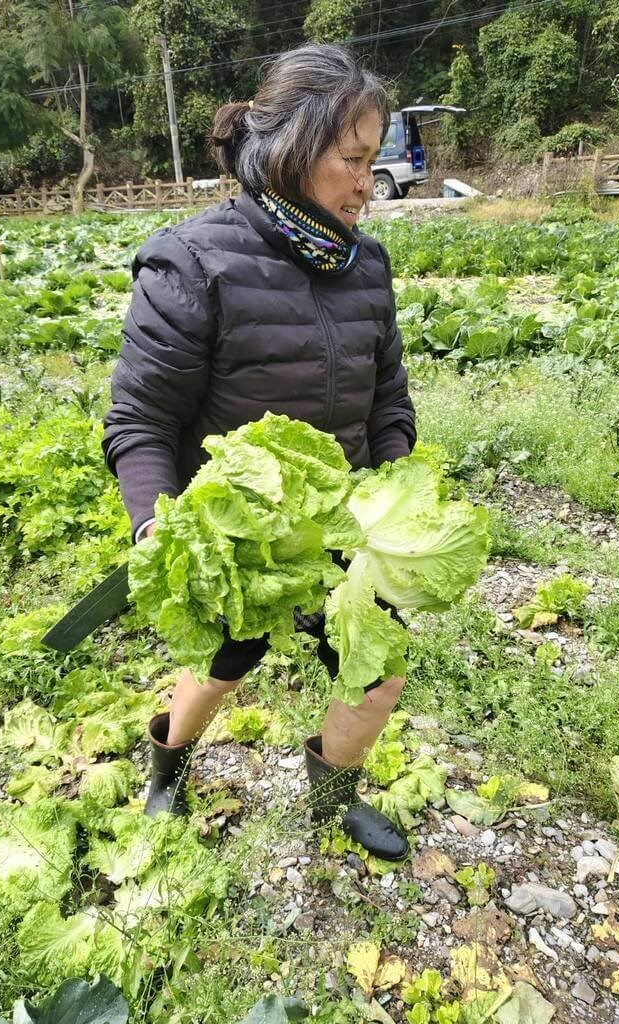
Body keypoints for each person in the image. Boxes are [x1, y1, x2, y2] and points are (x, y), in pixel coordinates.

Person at [103, 43, 416, 861]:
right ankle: (167, 770)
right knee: (222, 665)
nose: (365, 186)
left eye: (371, 161)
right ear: (291, 153)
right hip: (243, 544)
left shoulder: (366, 267)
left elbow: (390, 397)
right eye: (352, 161)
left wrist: (391, 482)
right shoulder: (193, 262)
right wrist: (159, 530)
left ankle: (334, 800)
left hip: (339, 526)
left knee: (376, 668)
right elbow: (137, 421)